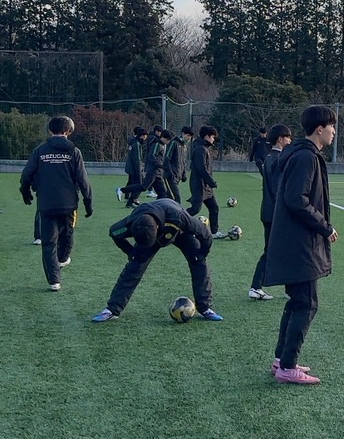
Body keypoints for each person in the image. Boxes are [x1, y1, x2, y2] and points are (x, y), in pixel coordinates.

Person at [264, 105, 338, 384]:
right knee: (307, 303)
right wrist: (325, 226)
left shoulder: (300, 154)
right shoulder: (306, 157)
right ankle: (287, 366)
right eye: (331, 126)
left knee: (298, 302)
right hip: (300, 244)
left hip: (295, 241)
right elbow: (297, 199)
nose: (334, 132)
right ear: (319, 129)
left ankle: (281, 360)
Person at [91, 199, 223, 323]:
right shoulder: (129, 223)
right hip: (147, 235)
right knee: (134, 268)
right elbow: (113, 233)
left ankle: (205, 308)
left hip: (179, 231)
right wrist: (131, 253)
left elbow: (205, 234)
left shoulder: (180, 217)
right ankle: (112, 310)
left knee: (199, 263)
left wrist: (202, 254)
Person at [19, 115, 93, 291]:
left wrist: (25, 191)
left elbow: (27, 174)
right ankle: (62, 259)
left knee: (48, 243)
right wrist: (88, 201)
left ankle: (54, 281)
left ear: (50, 130)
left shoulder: (40, 151)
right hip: (69, 204)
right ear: (68, 131)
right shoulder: (74, 151)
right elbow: (83, 179)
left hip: (46, 203)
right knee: (68, 234)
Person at [249, 123, 292, 301]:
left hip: (268, 211)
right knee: (274, 251)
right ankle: (256, 286)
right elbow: (278, 190)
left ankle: (288, 288)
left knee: (280, 250)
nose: (290, 140)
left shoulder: (269, 157)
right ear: (280, 139)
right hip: (275, 214)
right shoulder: (277, 159)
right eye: (288, 137)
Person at [187, 125, 225, 237]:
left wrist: (209, 183)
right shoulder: (200, 149)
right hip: (199, 185)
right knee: (195, 209)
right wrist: (211, 181)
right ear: (206, 137)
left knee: (214, 208)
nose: (213, 139)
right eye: (212, 137)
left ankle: (214, 232)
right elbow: (201, 168)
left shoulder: (204, 148)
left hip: (206, 186)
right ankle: (176, 222)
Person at [118, 127, 149, 206]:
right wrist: (139, 170)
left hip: (131, 167)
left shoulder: (133, 142)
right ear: (142, 136)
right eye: (145, 135)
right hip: (134, 168)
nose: (146, 137)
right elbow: (137, 159)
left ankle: (130, 199)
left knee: (133, 182)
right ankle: (126, 195)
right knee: (140, 184)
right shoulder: (137, 144)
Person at [162, 125, 189, 203]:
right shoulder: (174, 143)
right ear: (183, 134)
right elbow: (167, 159)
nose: (189, 138)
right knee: (176, 198)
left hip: (177, 176)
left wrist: (183, 174)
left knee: (168, 199)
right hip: (170, 176)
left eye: (190, 136)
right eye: (188, 135)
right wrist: (170, 173)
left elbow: (183, 161)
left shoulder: (184, 146)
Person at [145, 127, 171, 199]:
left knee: (162, 193)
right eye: (167, 140)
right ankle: (122, 190)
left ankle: (158, 204)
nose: (168, 142)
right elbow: (152, 156)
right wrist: (160, 165)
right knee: (143, 187)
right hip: (153, 170)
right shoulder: (157, 144)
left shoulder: (161, 145)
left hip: (158, 172)